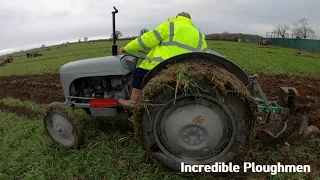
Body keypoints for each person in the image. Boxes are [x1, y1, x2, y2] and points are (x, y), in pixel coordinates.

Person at [118, 12, 208, 108]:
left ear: (177, 17)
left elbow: (147, 39)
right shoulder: (199, 35)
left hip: (162, 67)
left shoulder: (170, 26)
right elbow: (204, 55)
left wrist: (127, 48)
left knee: (138, 73)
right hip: (184, 71)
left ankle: (133, 102)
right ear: (190, 20)